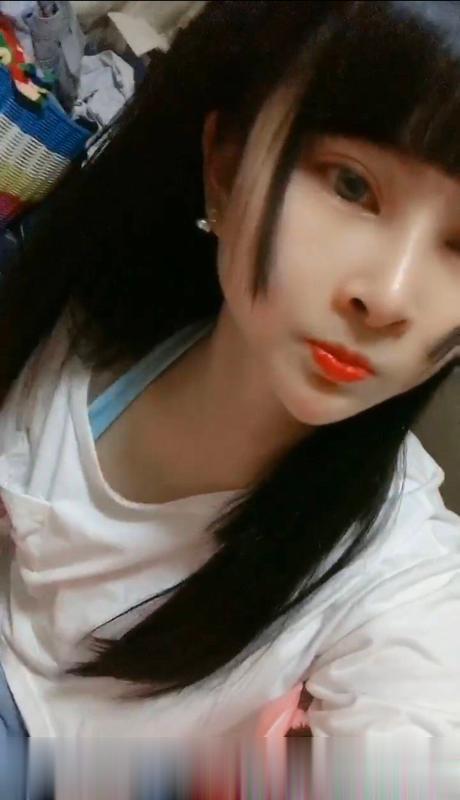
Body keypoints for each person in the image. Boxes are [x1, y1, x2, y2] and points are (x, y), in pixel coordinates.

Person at [0, 0, 458, 743]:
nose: (389, 297)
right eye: (351, 185)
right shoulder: (83, 332)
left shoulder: (403, 574)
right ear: (225, 168)